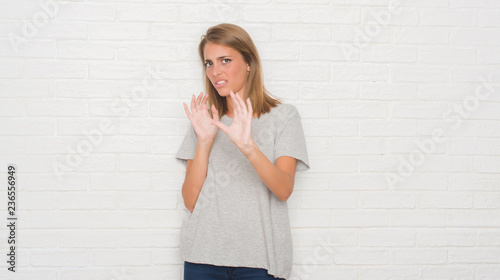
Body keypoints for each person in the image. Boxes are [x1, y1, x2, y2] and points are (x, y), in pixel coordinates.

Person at [175, 23, 309, 280]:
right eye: (209, 63)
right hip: (202, 257)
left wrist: (248, 146)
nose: (215, 71)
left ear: (249, 62)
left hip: (260, 261)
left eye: (225, 60)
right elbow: (190, 201)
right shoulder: (204, 120)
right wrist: (204, 141)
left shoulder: (283, 117)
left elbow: (283, 190)